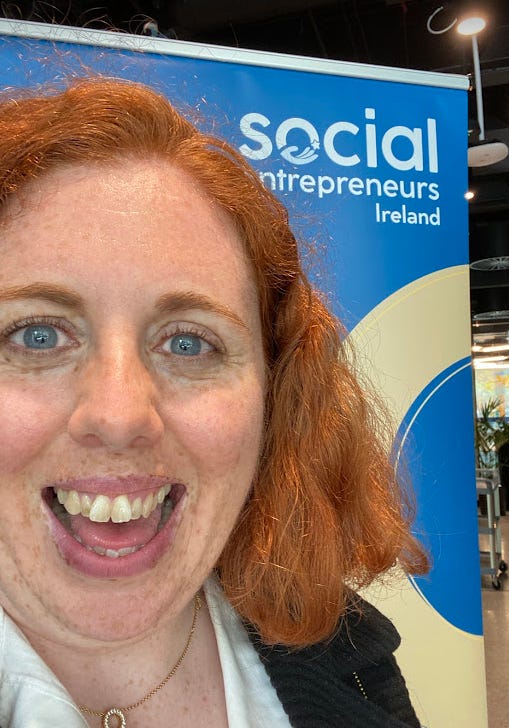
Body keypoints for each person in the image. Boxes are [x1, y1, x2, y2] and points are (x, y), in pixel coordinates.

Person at [0, 78, 428, 728]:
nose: (119, 418)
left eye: (189, 344)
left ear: (271, 396)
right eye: (36, 335)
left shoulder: (353, 659)